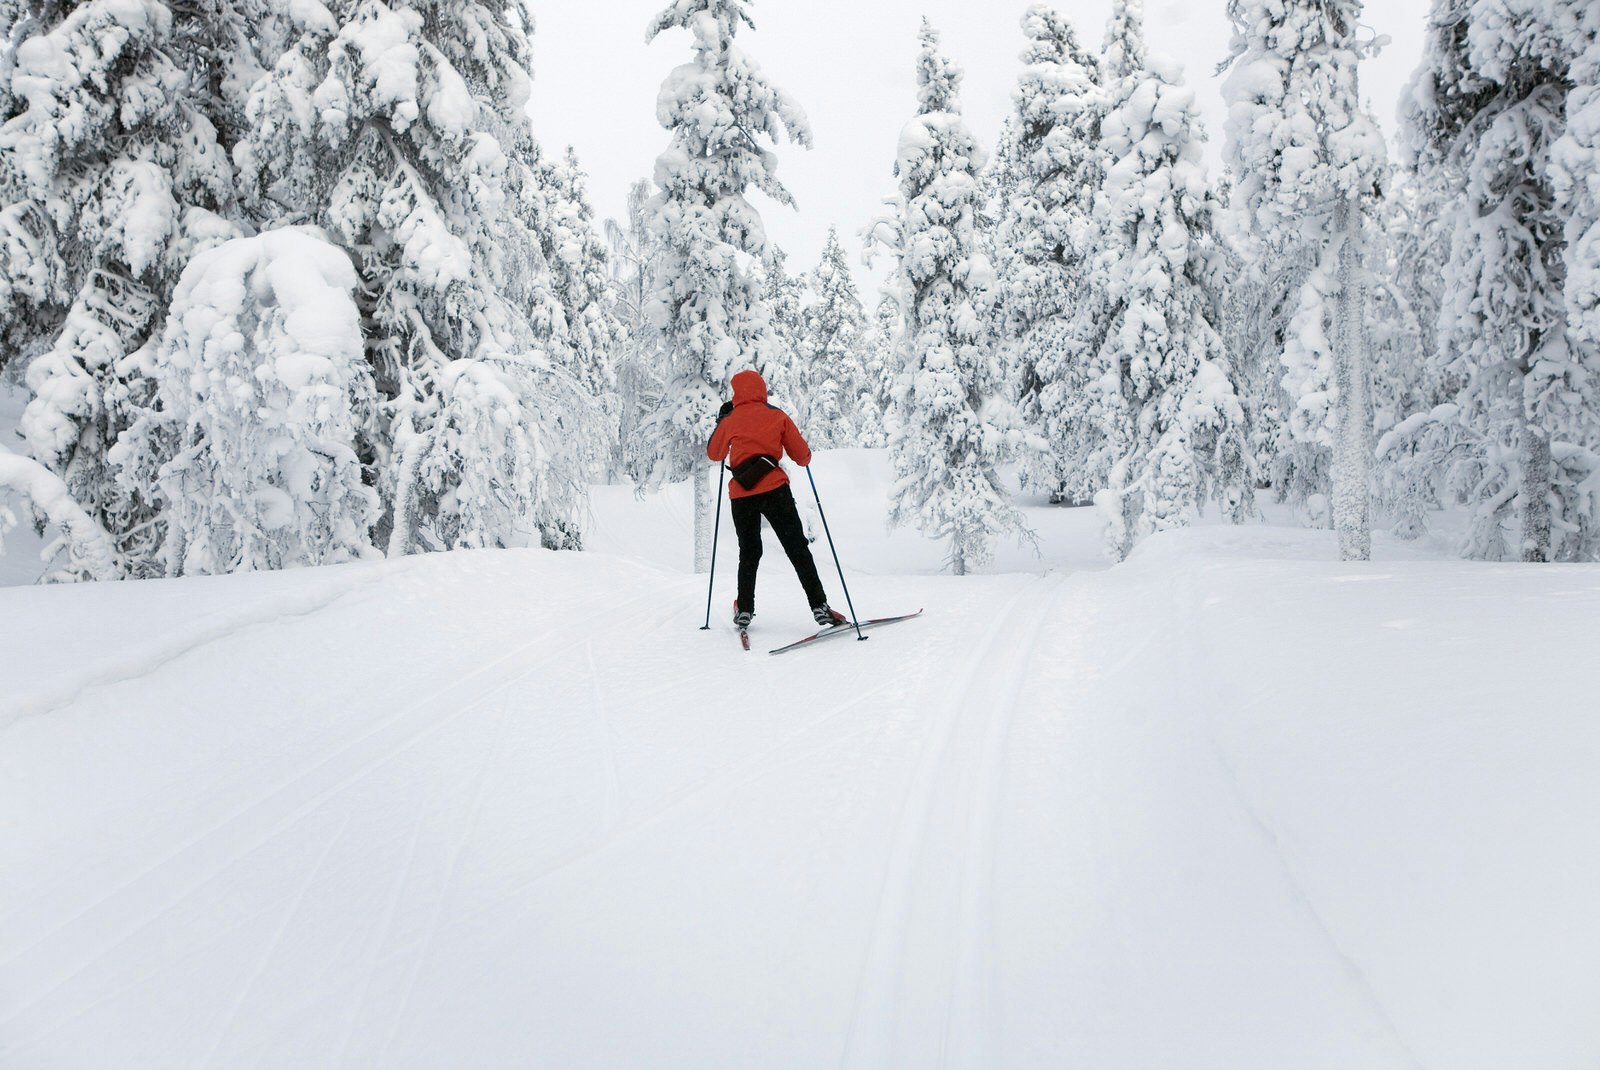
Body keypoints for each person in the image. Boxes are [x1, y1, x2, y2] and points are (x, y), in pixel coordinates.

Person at [707, 369, 849, 630]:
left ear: (736, 393)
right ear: (761, 389)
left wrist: (722, 420)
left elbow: (714, 454)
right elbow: (803, 457)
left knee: (749, 553)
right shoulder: (777, 416)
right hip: (775, 492)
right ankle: (819, 605)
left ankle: (745, 609)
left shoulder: (730, 419)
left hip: (742, 495)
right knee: (797, 548)